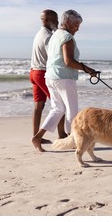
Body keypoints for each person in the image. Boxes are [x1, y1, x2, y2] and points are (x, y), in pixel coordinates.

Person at [31, 9, 97, 152]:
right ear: (67, 22)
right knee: (72, 111)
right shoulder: (66, 37)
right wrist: (88, 69)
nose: (78, 28)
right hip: (64, 78)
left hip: (50, 76)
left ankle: (37, 137)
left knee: (58, 109)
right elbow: (69, 61)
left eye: (79, 25)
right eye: (76, 25)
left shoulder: (55, 35)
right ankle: (73, 140)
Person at [30, 10, 66, 143]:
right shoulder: (49, 37)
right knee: (60, 105)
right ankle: (62, 135)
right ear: (46, 20)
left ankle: (36, 136)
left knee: (38, 107)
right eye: (55, 20)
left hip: (33, 72)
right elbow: (54, 57)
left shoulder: (39, 34)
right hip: (42, 73)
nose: (57, 22)